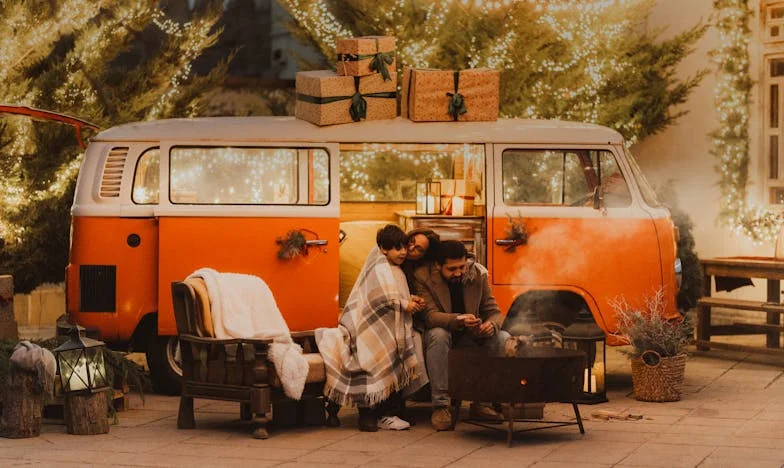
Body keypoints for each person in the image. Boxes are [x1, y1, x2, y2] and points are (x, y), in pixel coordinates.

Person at [316, 224, 428, 432]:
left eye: (404, 247)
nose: (403, 252)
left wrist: (411, 300)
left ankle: (387, 412)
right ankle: (368, 413)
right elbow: (379, 297)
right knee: (373, 358)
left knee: (395, 356)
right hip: (370, 328)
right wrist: (404, 304)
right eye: (397, 248)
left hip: (388, 327)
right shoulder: (378, 267)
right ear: (383, 248)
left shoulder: (395, 269)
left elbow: (395, 295)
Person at [414, 240, 510, 431]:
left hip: (471, 334)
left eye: (461, 267)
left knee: (503, 337)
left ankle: (483, 402)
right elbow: (430, 316)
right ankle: (441, 406)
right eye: (452, 269)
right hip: (441, 334)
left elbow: (494, 311)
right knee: (438, 335)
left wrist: (491, 324)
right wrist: (458, 319)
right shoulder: (423, 276)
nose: (458, 273)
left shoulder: (477, 274)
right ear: (438, 266)